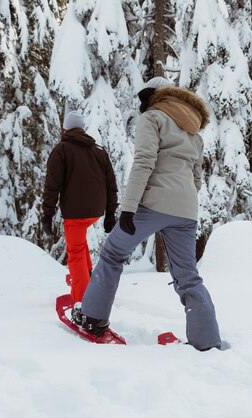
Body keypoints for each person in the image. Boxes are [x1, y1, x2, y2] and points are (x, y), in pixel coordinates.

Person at [77, 77, 222, 351]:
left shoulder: (153, 118)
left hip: (152, 204)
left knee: (113, 254)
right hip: (186, 210)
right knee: (188, 276)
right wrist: (182, 201)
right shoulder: (193, 132)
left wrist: (129, 208)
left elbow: (144, 162)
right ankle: (207, 340)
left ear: (155, 96)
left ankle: (92, 318)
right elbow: (197, 178)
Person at [42, 110, 118, 325]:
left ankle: (85, 303)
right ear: (82, 129)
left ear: (65, 129)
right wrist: (110, 212)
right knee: (80, 243)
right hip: (95, 211)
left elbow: (52, 185)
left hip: (75, 213)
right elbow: (111, 184)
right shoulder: (98, 151)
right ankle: (89, 277)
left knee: (74, 254)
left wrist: (47, 214)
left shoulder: (61, 150)